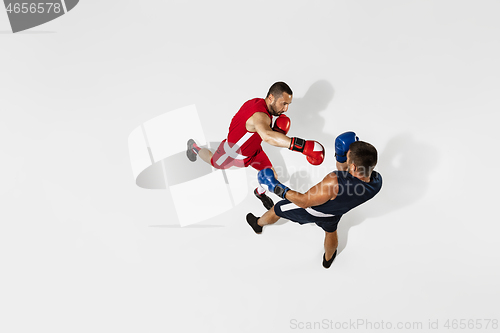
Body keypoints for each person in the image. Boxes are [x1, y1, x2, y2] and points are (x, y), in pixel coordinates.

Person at [246, 133, 382, 268]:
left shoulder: (333, 182)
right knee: (331, 232)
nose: (345, 158)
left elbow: (304, 201)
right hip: (335, 213)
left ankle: (258, 224)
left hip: (312, 211)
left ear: (353, 167)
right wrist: (343, 157)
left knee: (277, 209)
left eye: (347, 157)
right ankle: (328, 259)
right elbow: (347, 176)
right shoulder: (376, 182)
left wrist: (276, 187)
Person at [186, 82, 325, 209]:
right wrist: (304, 146)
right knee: (214, 162)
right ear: (271, 97)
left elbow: (262, 132)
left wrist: (275, 131)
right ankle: (194, 148)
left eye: (288, 104)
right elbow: (267, 136)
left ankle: (259, 193)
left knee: (272, 176)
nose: (286, 109)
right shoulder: (259, 114)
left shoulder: (261, 104)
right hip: (232, 152)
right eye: (283, 103)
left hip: (255, 151)